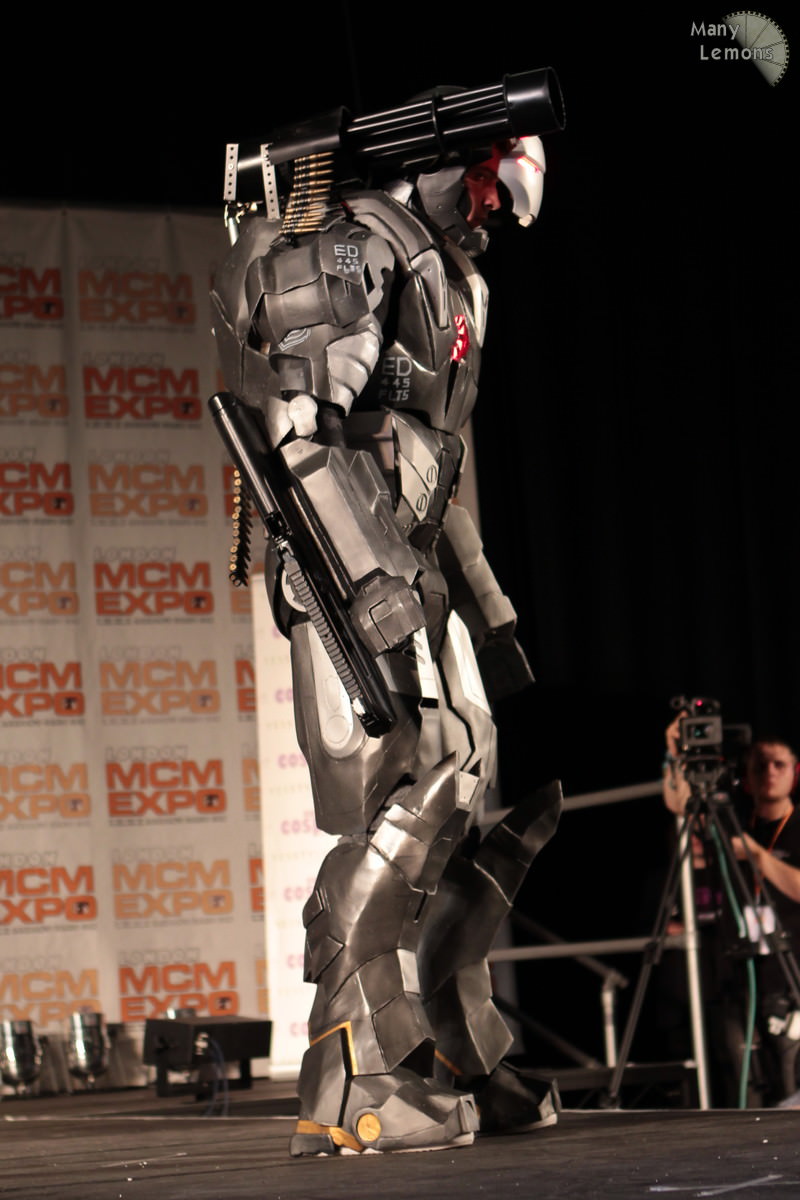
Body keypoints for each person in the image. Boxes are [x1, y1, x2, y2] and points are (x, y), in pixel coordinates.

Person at [209, 74, 564, 1154]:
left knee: (465, 779)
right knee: (404, 787)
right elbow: (299, 435)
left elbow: (434, 463)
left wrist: (487, 607)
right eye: (486, 178)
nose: (493, 203)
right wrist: (369, 584)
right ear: (446, 161)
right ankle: (351, 1072)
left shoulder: (451, 279)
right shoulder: (360, 248)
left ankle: (450, 1045)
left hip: (410, 558)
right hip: (343, 566)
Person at [662, 716, 800, 1103]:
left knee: (793, 1086)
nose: (769, 773)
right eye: (760, 766)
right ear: (746, 776)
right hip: (738, 976)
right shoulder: (736, 820)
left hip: (791, 976)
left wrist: (757, 856)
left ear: (794, 772)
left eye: (779, 765)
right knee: (745, 1090)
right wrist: (674, 756)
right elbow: (681, 807)